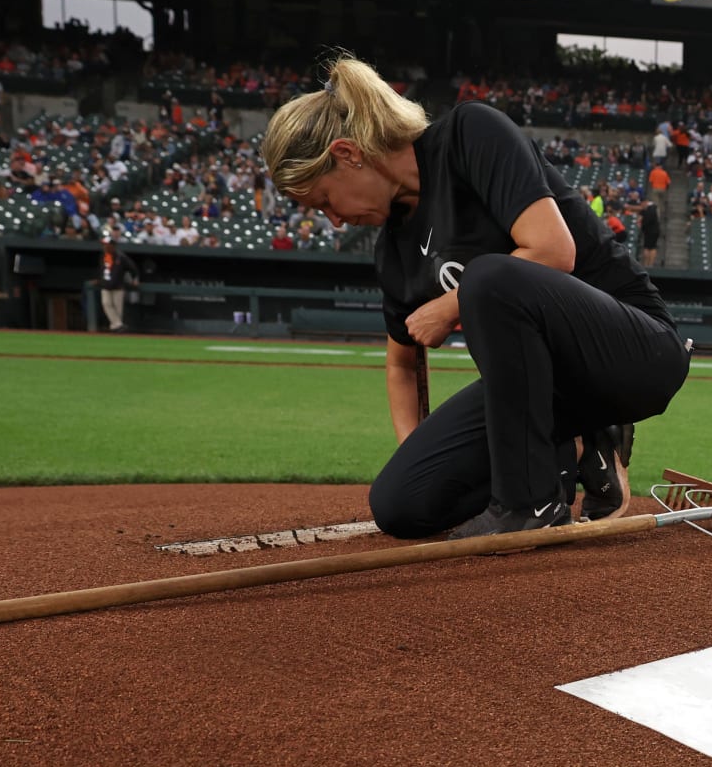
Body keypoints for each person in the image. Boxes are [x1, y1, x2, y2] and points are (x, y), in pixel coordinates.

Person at [261, 54, 686, 538]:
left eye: (325, 201)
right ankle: (568, 452)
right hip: (544, 392)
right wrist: (418, 457)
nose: (334, 220)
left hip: (636, 353)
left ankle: (532, 503)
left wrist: (448, 306)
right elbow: (403, 362)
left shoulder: (468, 133)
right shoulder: (393, 251)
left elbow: (552, 250)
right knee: (401, 505)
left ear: (348, 154)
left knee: (487, 278)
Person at [98, 233, 138, 331]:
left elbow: (133, 268)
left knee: (117, 309)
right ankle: (119, 325)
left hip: (118, 286)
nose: (105, 246)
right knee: (106, 304)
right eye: (104, 244)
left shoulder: (121, 257)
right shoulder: (103, 256)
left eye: (106, 244)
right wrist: (100, 280)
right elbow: (101, 270)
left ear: (112, 245)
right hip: (106, 286)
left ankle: (115, 328)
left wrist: (135, 279)